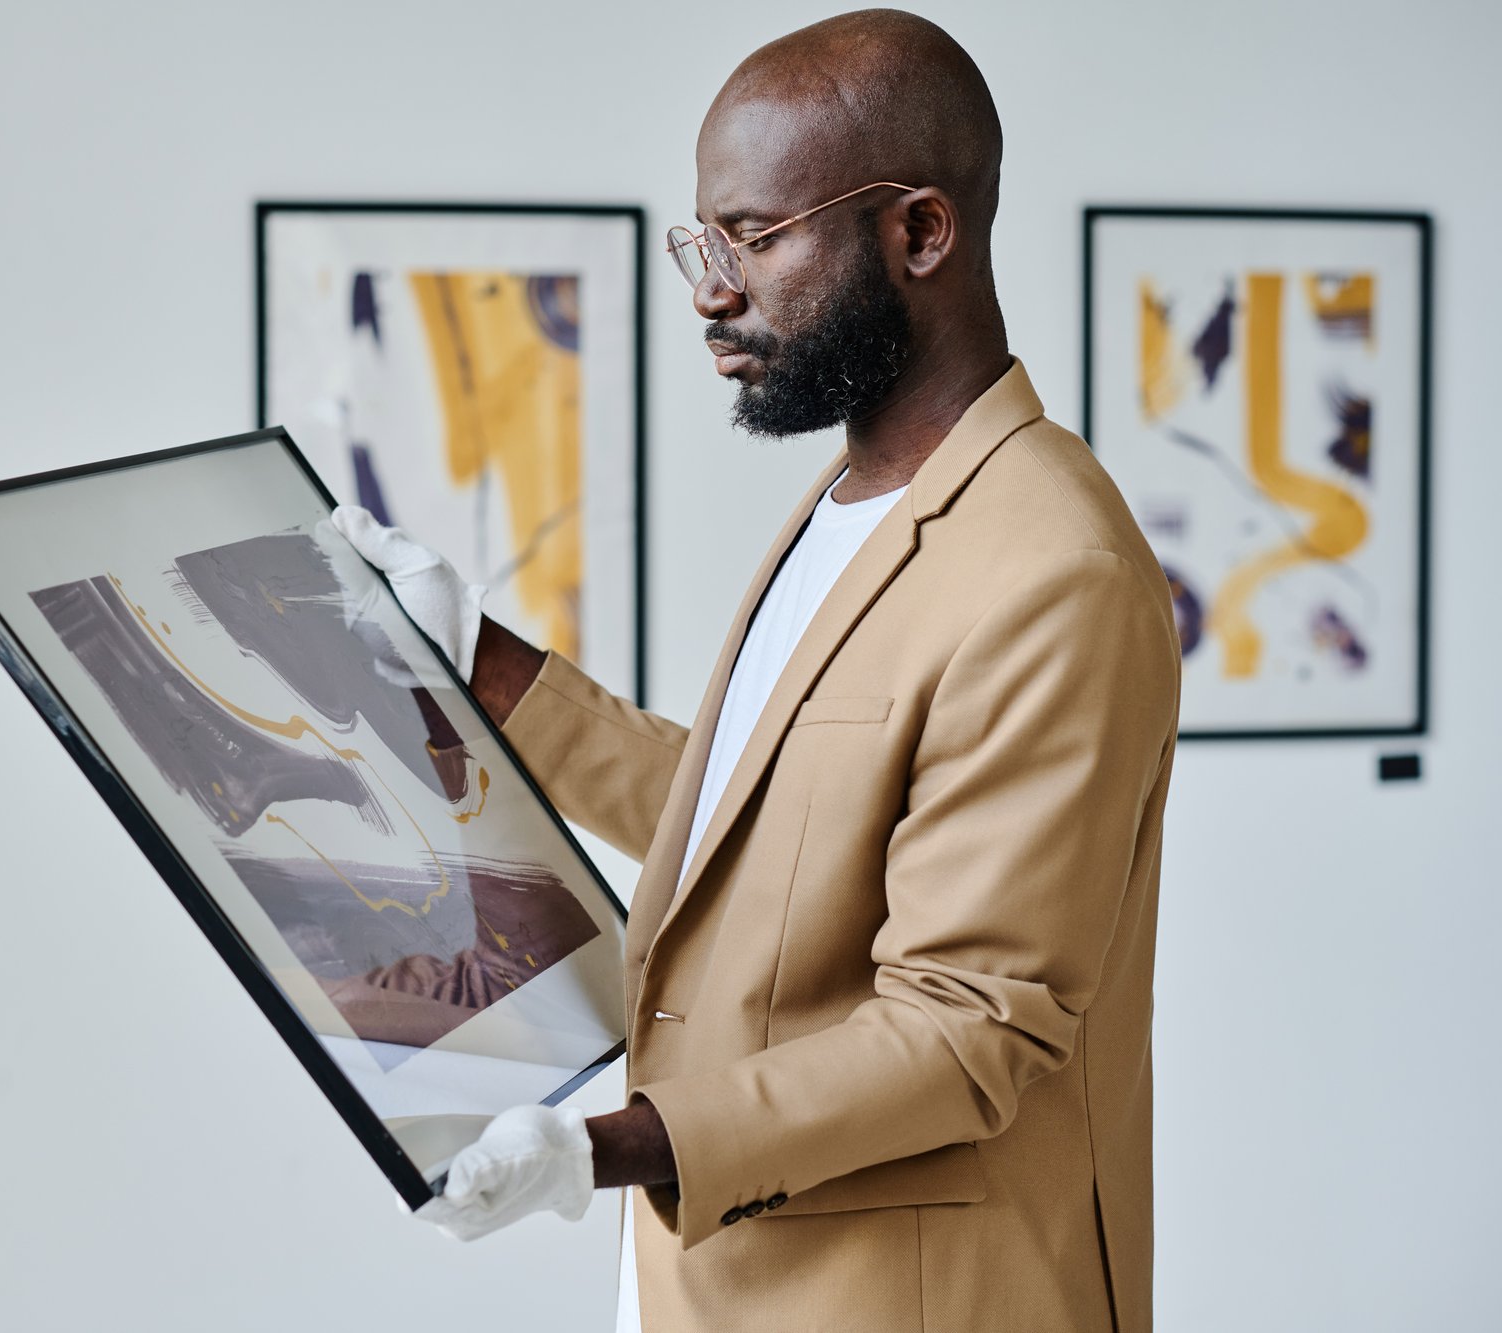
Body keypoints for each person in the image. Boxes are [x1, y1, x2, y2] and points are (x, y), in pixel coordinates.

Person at [334, 10, 1180, 1331]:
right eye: (702, 238)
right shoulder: (854, 502)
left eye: (756, 236)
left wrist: (601, 1147)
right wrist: (484, 668)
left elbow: (967, 1027)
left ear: (920, 232)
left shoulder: (1056, 570)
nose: (710, 286)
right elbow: (767, 821)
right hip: (723, 1284)